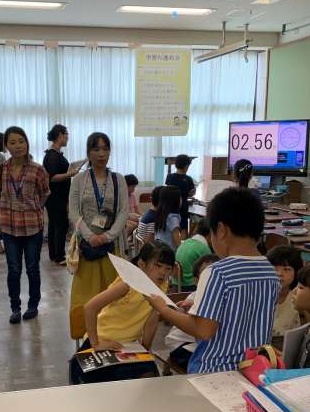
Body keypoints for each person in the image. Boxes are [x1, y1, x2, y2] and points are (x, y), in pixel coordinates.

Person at [147, 187, 280, 373]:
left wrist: (163, 309)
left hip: (214, 371)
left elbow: (203, 330)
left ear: (221, 230)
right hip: (254, 370)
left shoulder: (217, 272)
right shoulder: (271, 272)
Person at [69, 241, 175, 383]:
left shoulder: (162, 286)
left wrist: (146, 348)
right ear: (142, 264)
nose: (163, 272)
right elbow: (90, 308)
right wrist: (96, 343)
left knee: (148, 377)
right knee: (98, 384)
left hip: (128, 346)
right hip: (103, 341)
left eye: (168, 268)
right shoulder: (127, 285)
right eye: (158, 266)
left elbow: (152, 318)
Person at [0, 126, 50, 324]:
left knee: (32, 269)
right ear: (6, 146)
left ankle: (33, 305)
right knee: (14, 270)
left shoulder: (38, 169)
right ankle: (15, 308)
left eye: (21, 141)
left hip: (32, 227)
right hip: (9, 227)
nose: (18, 146)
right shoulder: (1, 169)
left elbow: (45, 193)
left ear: (27, 143)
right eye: (13, 142)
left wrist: (34, 207)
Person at [69, 132, 129, 316]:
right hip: (87, 248)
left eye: (105, 149)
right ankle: (86, 331)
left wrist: (107, 236)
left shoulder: (118, 179)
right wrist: (90, 236)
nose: (101, 154)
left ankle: (111, 330)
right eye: (96, 149)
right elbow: (73, 212)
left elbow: (124, 211)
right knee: (85, 297)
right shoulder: (79, 180)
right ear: (88, 153)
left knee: (113, 296)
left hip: (112, 247)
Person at [164, 253, 220, 372]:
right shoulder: (195, 297)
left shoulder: (219, 297)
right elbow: (187, 310)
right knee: (208, 364)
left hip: (202, 345)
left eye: (216, 275)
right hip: (181, 344)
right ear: (196, 281)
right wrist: (187, 308)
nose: (212, 279)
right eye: (206, 275)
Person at [43, 124, 79, 265]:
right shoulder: (52, 156)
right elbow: (52, 177)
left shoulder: (55, 154)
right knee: (60, 225)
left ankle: (54, 254)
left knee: (54, 225)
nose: (67, 138)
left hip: (56, 197)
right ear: (59, 135)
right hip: (56, 197)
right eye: (66, 135)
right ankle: (59, 255)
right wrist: (70, 174)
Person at [267, 245, 302, 340]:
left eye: (286, 269)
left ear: (296, 272)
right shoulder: (258, 295)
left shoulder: (299, 297)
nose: (279, 274)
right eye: (274, 268)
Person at [174, 217, 212, 292]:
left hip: (177, 283)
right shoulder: (204, 248)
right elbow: (209, 272)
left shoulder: (186, 242)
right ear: (210, 234)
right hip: (190, 286)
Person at [165, 154, 195, 238]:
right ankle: (183, 243)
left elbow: (168, 187)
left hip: (170, 207)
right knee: (183, 228)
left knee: (172, 227)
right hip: (183, 208)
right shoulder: (188, 179)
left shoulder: (169, 177)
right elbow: (191, 193)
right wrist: (191, 193)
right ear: (186, 166)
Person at [154, 185, 182, 252]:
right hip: (169, 252)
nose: (181, 199)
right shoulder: (173, 218)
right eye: (180, 197)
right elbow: (177, 240)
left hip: (158, 248)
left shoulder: (161, 213)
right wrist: (182, 250)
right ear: (175, 200)